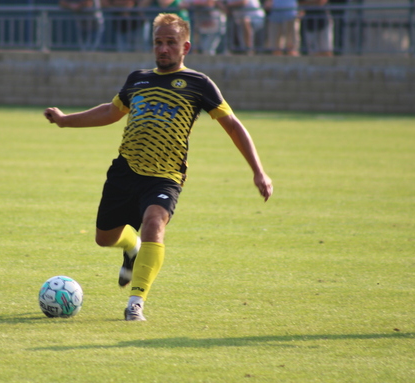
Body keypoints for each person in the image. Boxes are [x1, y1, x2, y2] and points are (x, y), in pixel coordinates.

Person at [44, 13, 273, 321]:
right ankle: (131, 246)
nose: (163, 49)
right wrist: (65, 120)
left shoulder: (198, 84)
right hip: (125, 171)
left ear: (186, 47)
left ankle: (135, 302)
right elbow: (112, 111)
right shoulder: (138, 79)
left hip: (165, 177)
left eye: (171, 43)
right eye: (158, 43)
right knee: (104, 238)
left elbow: (232, 126)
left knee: (155, 223)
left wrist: (258, 171)